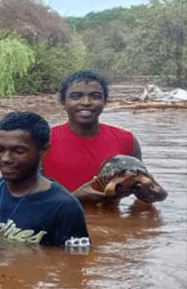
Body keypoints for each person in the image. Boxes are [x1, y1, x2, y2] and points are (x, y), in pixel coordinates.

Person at [0, 111, 90, 248]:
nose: (6, 159)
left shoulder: (65, 206)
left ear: (43, 151)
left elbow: (74, 262)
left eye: (19, 151)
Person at [42, 70, 167, 204]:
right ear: (63, 101)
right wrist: (76, 198)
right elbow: (26, 198)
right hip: (57, 221)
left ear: (105, 101)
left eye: (95, 96)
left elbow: (141, 196)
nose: (86, 102)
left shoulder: (127, 140)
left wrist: (158, 194)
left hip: (111, 221)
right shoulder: (43, 141)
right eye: (76, 96)